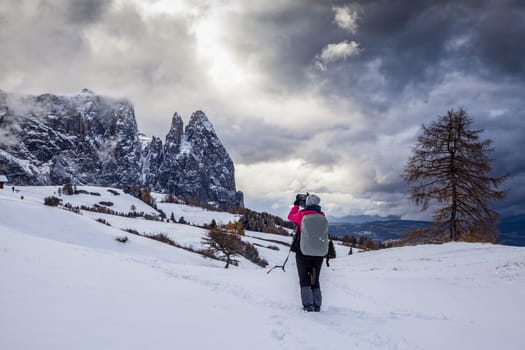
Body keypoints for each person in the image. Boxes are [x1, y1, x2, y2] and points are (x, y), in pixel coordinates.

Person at [287, 193, 326, 312]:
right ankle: (317, 305)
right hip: (319, 253)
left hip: (302, 251)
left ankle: (308, 305)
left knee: (304, 278)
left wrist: (296, 205)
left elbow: (290, 217)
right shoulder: (322, 215)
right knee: (315, 278)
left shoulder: (301, 214)